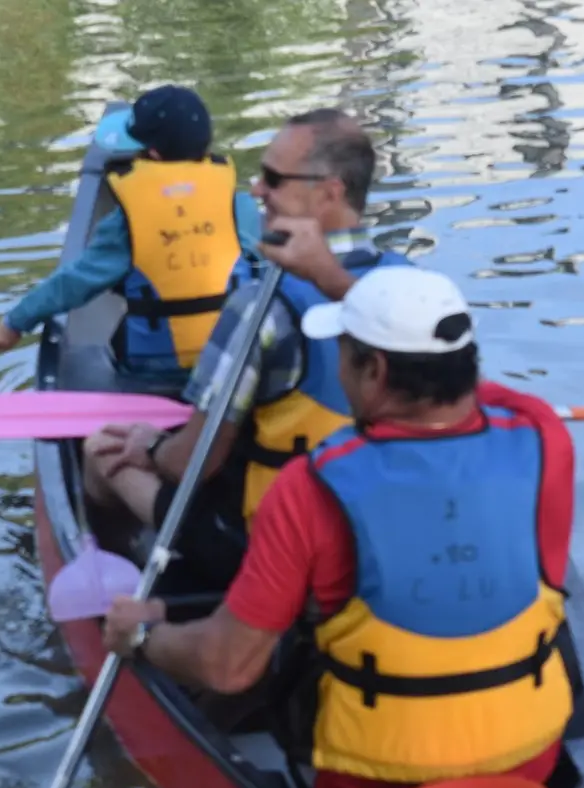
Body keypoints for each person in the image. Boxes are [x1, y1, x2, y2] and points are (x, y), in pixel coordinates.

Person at [100, 266, 578, 788]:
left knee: (279, 642)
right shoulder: (546, 437)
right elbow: (478, 395)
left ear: (373, 370)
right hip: (530, 758)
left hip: (372, 787)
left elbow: (227, 667)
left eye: (343, 357)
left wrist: (141, 635)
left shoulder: (309, 486)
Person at [83, 107, 411, 590]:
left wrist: (149, 442)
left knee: (99, 451)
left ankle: (133, 582)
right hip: (383, 522)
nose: (256, 190)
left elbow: (190, 464)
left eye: (273, 179)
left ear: (329, 192)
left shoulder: (260, 310)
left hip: (268, 545)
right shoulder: (417, 287)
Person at [0, 84, 262, 378]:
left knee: (120, 332)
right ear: (207, 146)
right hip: (231, 357)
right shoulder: (241, 207)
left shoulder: (125, 221)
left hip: (157, 370)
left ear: (152, 154)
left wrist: (15, 322)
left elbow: (74, 283)